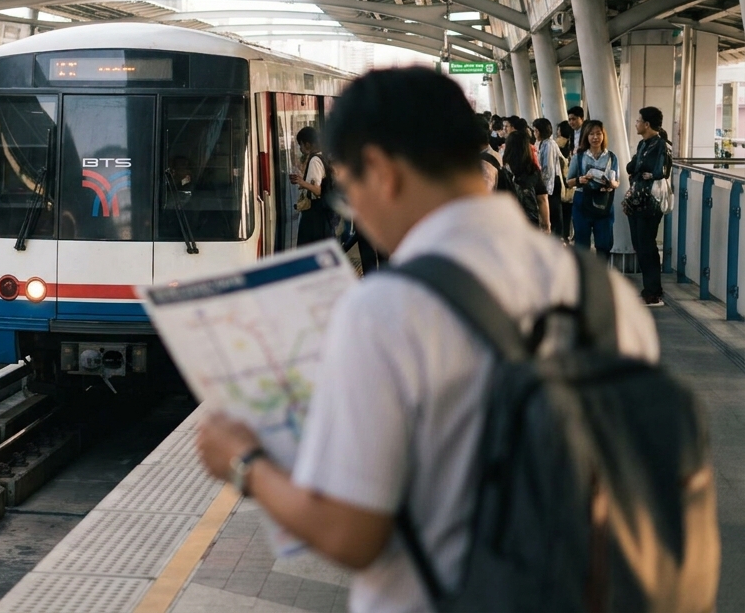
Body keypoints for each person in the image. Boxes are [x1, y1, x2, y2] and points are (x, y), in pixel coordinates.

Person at [195, 68, 658, 613]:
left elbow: (350, 534)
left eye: (352, 192)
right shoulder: (607, 296)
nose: (356, 213)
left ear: (383, 172)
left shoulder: (387, 311)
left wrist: (245, 463)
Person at [627, 107, 671, 307]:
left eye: (638, 120)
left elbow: (655, 170)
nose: (636, 123)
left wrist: (640, 168)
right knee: (640, 244)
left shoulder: (660, 145)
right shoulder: (643, 144)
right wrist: (638, 168)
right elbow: (632, 167)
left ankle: (654, 293)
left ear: (646, 124)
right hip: (637, 198)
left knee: (647, 245)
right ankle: (649, 290)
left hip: (650, 200)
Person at [567, 119, 620, 259]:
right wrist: (580, 180)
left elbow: (617, 181)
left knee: (604, 244)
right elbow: (569, 182)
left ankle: (601, 277)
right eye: (591, 134)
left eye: (598, 133)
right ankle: (584, 277)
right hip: (582, 202)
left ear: (603, 135)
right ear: (586, 136)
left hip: (604, 202)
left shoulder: (611, 157)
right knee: (582, 244)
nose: (595, 137)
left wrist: (611, 184)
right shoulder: (578, 157)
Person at [291, 126, 333, 245]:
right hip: (321, 214)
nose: (300, 148)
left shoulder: (315, 160)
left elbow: (318, 190)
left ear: (308, 144)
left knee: (307, 248)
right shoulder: (322, 157)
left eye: (301, 144)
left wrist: (301, 182)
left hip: (314, 214)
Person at [503, 129, 551, 231]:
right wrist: (546, 225)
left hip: (507, 222)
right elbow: (542, 199)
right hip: (530, 223)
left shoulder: (502, 172)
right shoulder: (533, 171)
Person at [533, 118, 563, 238]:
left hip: (552, 182)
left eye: (535, 131)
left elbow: (548, 168)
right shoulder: (542, 143)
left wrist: (546, 189)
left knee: (554, 211)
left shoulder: (549, 144)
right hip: (547, 182)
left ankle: (558, 237)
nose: (534, 134)